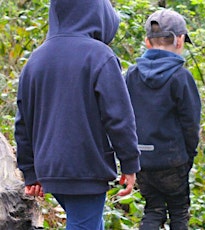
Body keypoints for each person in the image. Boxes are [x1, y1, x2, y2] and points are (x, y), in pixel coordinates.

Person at [14, 0, 141, 229]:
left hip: (50, 169)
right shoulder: (100, 55)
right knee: (85, 223)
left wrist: (31, 171)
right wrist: (130, 163)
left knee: (88, 221)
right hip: (86, 169)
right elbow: (119, 117)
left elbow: (23, 123)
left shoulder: (35, 60)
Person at [124, 9, 201, 230]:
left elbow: (123, 117)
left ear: (147, 42)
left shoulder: (131, 75)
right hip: (172, 160)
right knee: (178, 211)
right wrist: (188, 156)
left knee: (153, 209)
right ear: (179, 40)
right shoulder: (181, 77)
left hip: (141, 160)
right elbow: (190, 123)